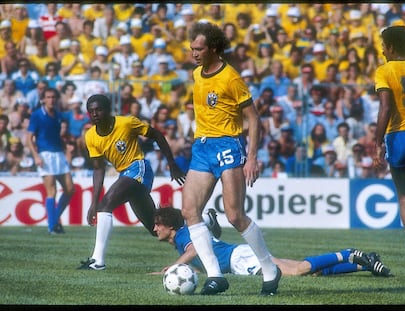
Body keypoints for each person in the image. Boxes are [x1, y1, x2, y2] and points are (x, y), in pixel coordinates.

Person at [181, 21, 280, 296]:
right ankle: (215, 276)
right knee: (189, 211)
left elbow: (254, 119)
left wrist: (251, 158)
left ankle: (270, 269)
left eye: (199, 49)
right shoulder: (197, 74)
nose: (194, 54)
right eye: (192, 49)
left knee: (235, 215)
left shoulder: (231, 78)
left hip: (227, 145)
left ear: (213, 48)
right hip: (202, 147)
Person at [77, 94, 185, 271]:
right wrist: (93, 203)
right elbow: (98, 169)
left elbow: (156, 134)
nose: (95, 114)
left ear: (108, 110)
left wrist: (171, 164)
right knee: (155, 226)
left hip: (139, 167)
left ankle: (98, 261)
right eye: (91, 111)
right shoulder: (90, 137)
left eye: (99, 109)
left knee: (106, 205)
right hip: (125, 175)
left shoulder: (126, 123)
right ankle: (203, 221)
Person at [152, 206, 392, 277]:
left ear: (170, 226)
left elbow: (194, 249)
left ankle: (347, 252)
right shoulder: (182, 237)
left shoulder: (184, 235)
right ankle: (363, 263)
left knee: (298, 271)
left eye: (157, 225)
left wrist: (174, 267)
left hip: (241, 259)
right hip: (240, 255)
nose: (154, 229)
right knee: (311, 272)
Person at [373, 25, 405, 256]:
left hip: (398, 137)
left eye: (382, 46)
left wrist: (377, 143)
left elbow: (385, 108)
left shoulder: (384, 71)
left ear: (390, 47)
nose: (381, 51)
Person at [27, 87, 75, 234]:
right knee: (51, 190)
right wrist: (36, 156)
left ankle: (54, 220)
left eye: (53, 97)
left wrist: (66, 149)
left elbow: (56, 136)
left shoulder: (58, 115)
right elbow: (29, 138)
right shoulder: (36, 115)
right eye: (48, 97)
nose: (51, 100)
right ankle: (52, 225)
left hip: (58, 154)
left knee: (70, 189)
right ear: (43, 99)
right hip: (45, 154)